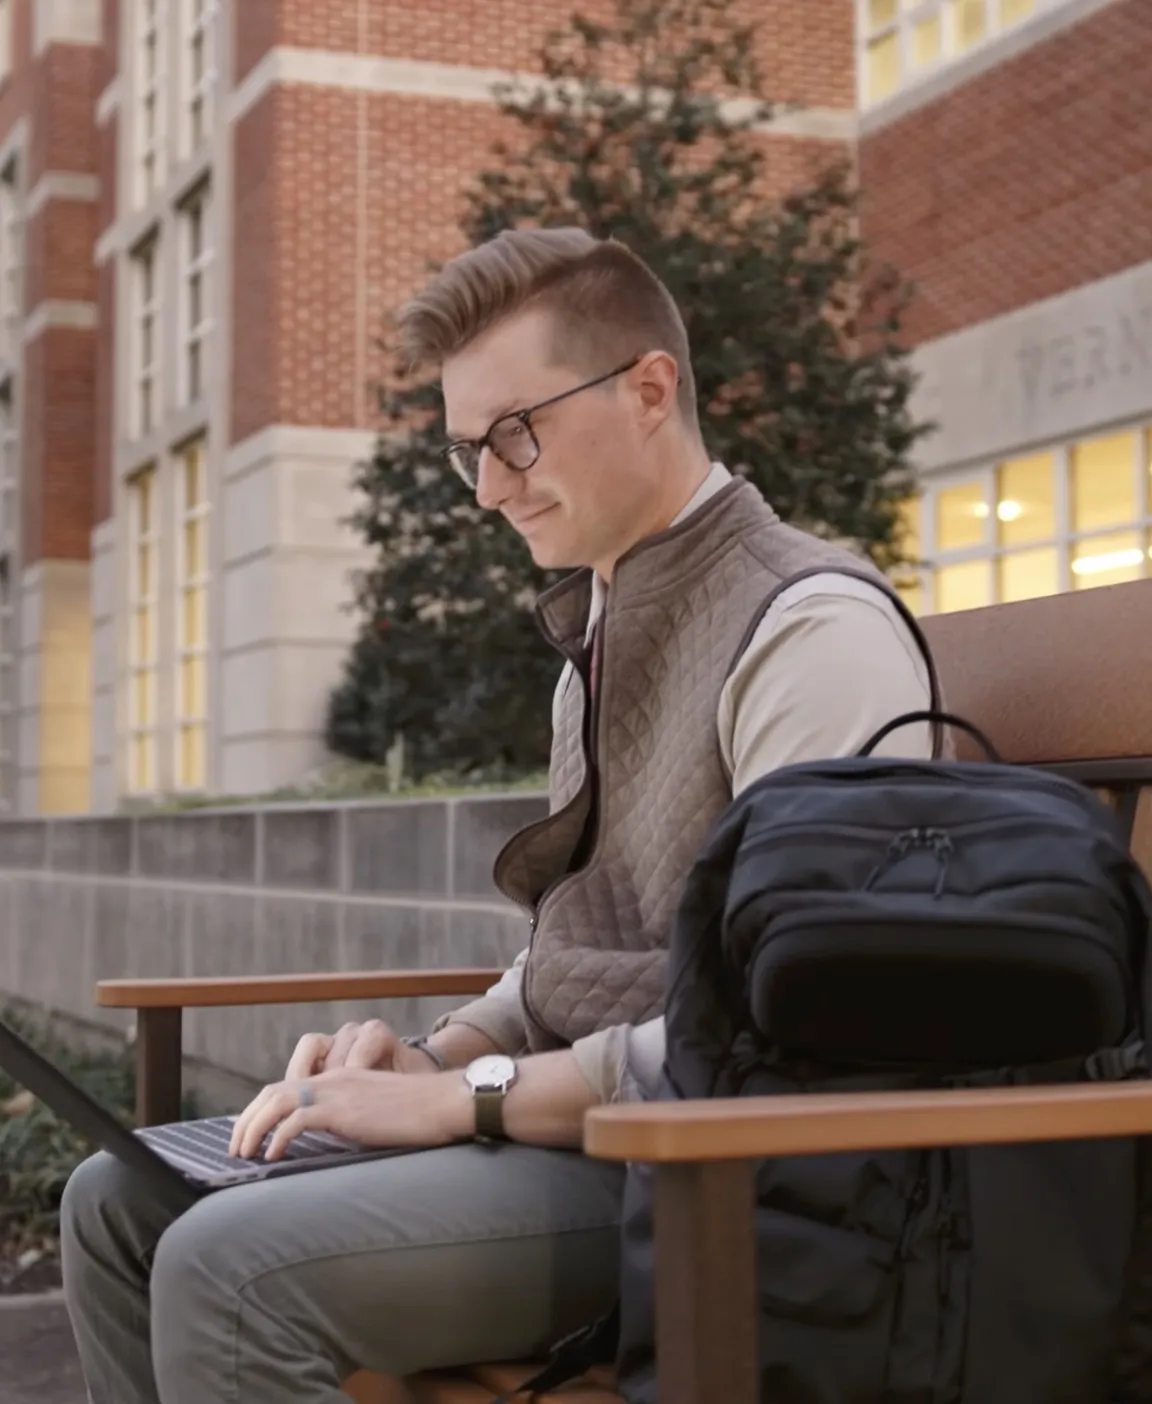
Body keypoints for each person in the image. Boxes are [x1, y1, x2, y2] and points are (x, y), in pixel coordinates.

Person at [60, 228, 935, 1403]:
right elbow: (577, 949)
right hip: (580, 1131)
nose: (488, 487)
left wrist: (458, 1102)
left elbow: (803, 1034)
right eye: (468, 450)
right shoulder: (597, 643)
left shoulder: (809, 631)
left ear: (648, 390)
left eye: (514, 433)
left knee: (230, 1262)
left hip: (712, 1177)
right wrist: (434, 1051)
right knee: (115, 1201)